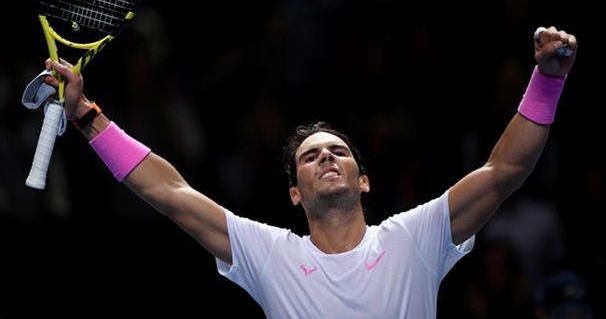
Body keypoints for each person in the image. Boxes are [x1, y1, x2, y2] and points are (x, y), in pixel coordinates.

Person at [41, 26, 577, 318]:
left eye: (338, 151)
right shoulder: (271, 255)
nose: (326, 157)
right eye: (310, 156)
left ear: (363, 181)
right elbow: (171, 192)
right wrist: (88, 117)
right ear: (295, 195)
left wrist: (547, 81)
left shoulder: (416, 238)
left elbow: (506, 169)